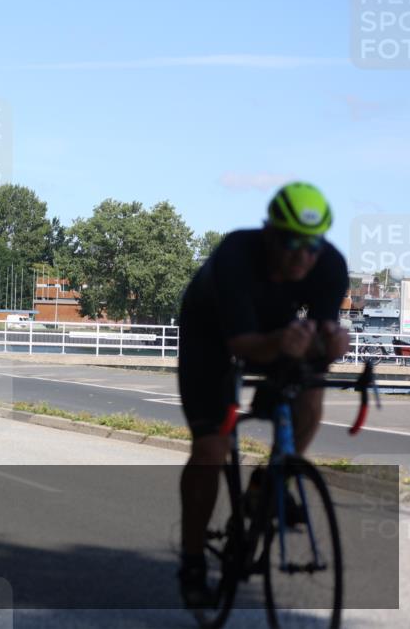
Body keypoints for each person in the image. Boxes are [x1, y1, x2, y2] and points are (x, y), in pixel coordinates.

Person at [176, 182, 350, 608]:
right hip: (212, 337)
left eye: (312, 244)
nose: (302, 255)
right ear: (270, 231)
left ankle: (266, 484)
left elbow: (320, 340)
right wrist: (285, 346)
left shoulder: (329, 265)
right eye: (291, 241)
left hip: (274, 333)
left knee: (309, 391)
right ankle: (194, 558)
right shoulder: (237, 255)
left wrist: (331, 343)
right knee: (212, 446)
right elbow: (241, 344)